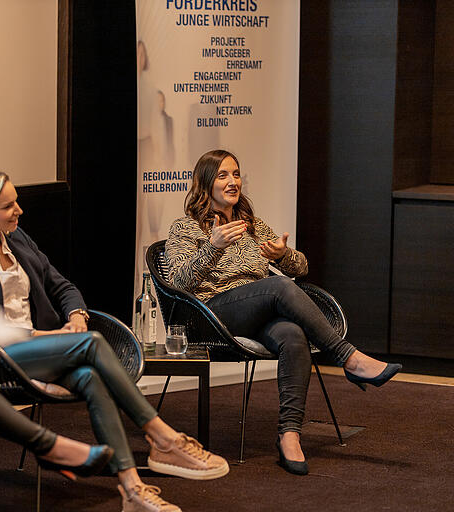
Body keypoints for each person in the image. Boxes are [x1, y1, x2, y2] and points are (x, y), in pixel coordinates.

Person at [0, 169, 230, 512]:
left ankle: (133, 491)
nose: (19, 210)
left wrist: (76, 316)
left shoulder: (18, 240)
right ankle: (161, 436)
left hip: (43, 352)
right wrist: (50, 335)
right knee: (92, 343)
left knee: (90, 377)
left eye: (17, 201)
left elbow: (62, 286)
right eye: (8, 206)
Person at [165, 149, 402, 476]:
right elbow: (177, 281)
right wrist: (212, 246)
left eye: (236, 173)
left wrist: (282, 255)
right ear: (205, 184)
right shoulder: (185, 227)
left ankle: (289, 435)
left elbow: (301, 267)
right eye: (223, 175)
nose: (233, 181)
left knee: (293, 335)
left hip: (258, 307)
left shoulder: (250, 223)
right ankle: (349, 358)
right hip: (212, 314)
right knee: (279, 288)